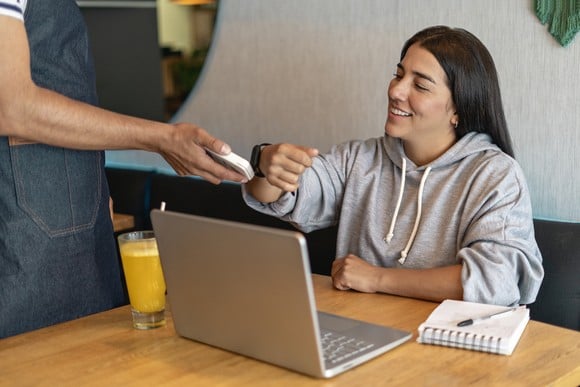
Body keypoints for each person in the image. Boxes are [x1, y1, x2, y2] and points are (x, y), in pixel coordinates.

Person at [243, 26, 544, 306]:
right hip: (362, 332)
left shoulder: (495, 176)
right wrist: (265, 165)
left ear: (458, 109)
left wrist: (376, 278)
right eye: (398, 75)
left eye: (420, 85)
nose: (396, 91)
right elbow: (283, 195)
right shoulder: (359, 159)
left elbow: (495, 281)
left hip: (449, 347)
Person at [0, 0, 246, 338]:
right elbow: (10, 106)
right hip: (24, 250)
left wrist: (90, 187)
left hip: (74, 236)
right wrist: (162, 138)